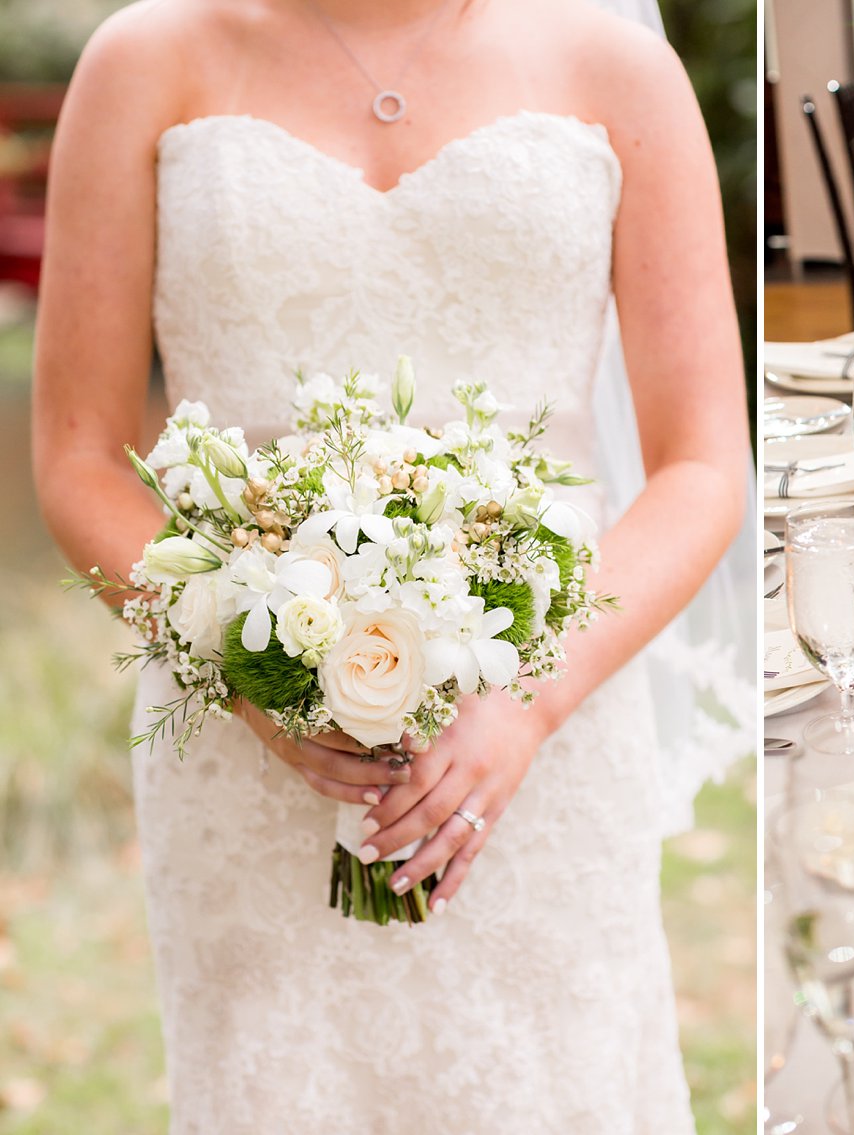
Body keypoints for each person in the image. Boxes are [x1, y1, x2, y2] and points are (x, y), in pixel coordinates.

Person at [29, 0, 751, 1130]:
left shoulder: (614, 65)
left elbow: (702, 462)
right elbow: (77, 455)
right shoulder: (144, 60)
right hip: (245, 751)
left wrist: (527, 700)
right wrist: (246, 669)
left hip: (539, 732)